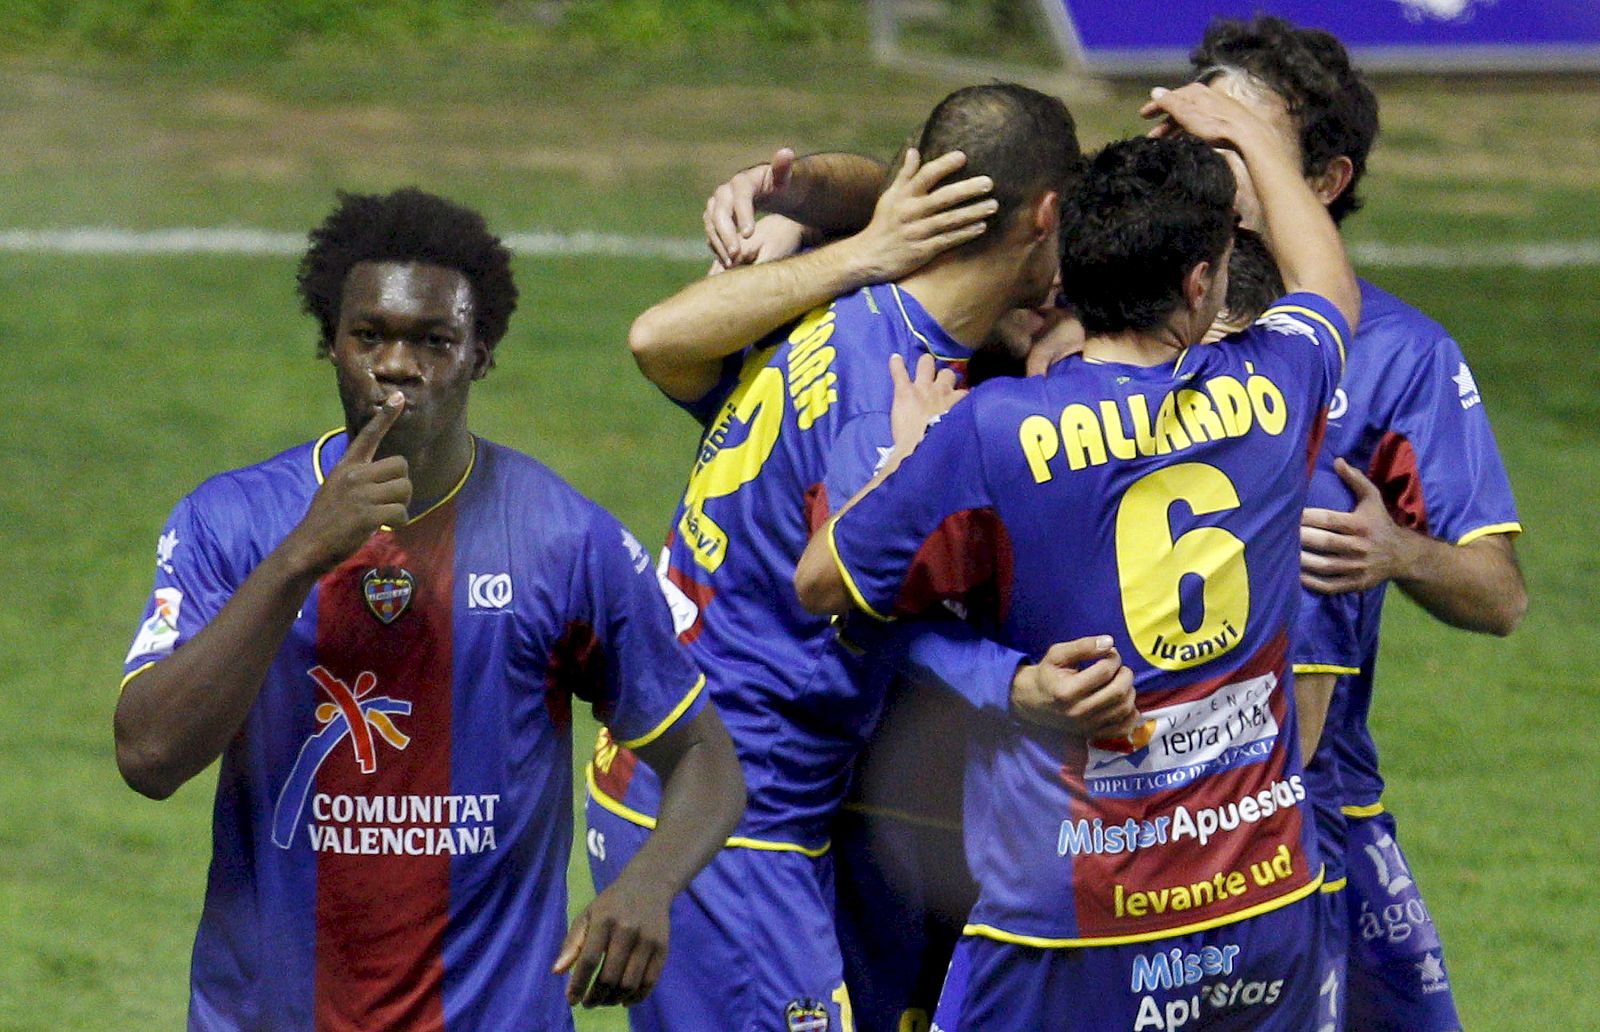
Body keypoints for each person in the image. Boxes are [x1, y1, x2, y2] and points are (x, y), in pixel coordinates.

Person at [797, 77, 1363, 1030]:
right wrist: (1253, 139)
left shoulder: (991, 432)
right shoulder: (1278, 385)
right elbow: (1329, 288)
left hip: (1069, 920)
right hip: (1259, 900)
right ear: (1199, 286)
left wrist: (905, 461)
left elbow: (824, 584)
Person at [113, 187, 745, 1031]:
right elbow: (149, 755)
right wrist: (303, 556)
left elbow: (707, 758)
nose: (398, 366)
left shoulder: (563, 540)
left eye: (433, 340)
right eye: (369, 335)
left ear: (480, 354)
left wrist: (648, 884)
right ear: (329, 343)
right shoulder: (231, 525)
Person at [589, 84, 1115, 1032]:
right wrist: (1016, 685)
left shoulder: (838, 311)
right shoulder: (893, 401)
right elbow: (842, 596)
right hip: (731, 816)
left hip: (673, 779)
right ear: (1048, 217)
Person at [1189, 18, 1526, 1031]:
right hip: (1127, 811)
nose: (1200, 162)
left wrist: (1398, 552)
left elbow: (1497, 595)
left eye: (1235, 141)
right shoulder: (1103, 307)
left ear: (1322, 180)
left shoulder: (1398, 356)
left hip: (1313, 805)